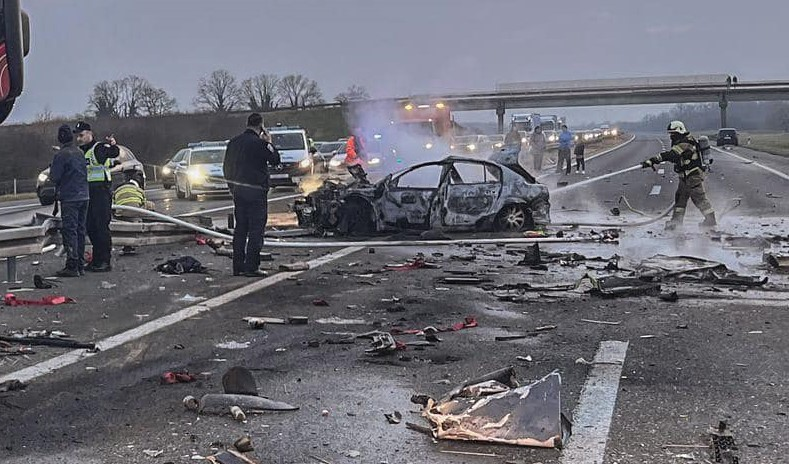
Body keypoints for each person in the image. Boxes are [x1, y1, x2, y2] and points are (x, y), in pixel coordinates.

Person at [223, 113, 280, 277]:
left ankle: (238, 266)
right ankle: (252, 266)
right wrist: (269, 142)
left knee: (240, 229)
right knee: (256, 230)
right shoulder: (260, 144)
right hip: (257, 192)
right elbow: (275, 159)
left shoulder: (233, 143)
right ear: (261, 126)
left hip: (239, 191)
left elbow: (226, 167)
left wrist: (232, 187)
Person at [641, 120, 716, 230]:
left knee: (699, 198)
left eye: (673, 134)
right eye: (670, 134)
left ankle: (711, 220)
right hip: (685, 177)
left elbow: (672, 155)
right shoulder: (681, 141)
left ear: (680, 132)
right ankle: (676, 222)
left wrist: (652, 160)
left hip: (693, 176)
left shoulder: (686, 142)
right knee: (680, 199)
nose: (671, 136)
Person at [74, 121, 120, 272]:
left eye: (81, 135)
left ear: (90, 134)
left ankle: (105, 261)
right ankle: (96, 259)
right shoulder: (80, 151)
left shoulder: (98, 147)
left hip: (101, 191)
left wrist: (113, 145)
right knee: (90, 227)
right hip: (87, 192)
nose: (79, 139)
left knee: (101, 227)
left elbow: (113, 153)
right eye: (77, 136)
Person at [49, 124, 89, 277]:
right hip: (84, 195)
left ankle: (72, 265)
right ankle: (80, 265)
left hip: (70, 198)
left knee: (70, 231)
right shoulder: (79, 152)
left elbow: (55, 177)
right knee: (80, 230)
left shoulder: (61, 155)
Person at [112, 179, 153, 255]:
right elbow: (144, 206)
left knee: (124, 228)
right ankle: (134, 241)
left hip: (121, 214)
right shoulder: (140, 191)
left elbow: (112, 206)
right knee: (135, 222)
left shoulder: (117, 190)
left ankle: (126, 246)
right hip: (135, 213)